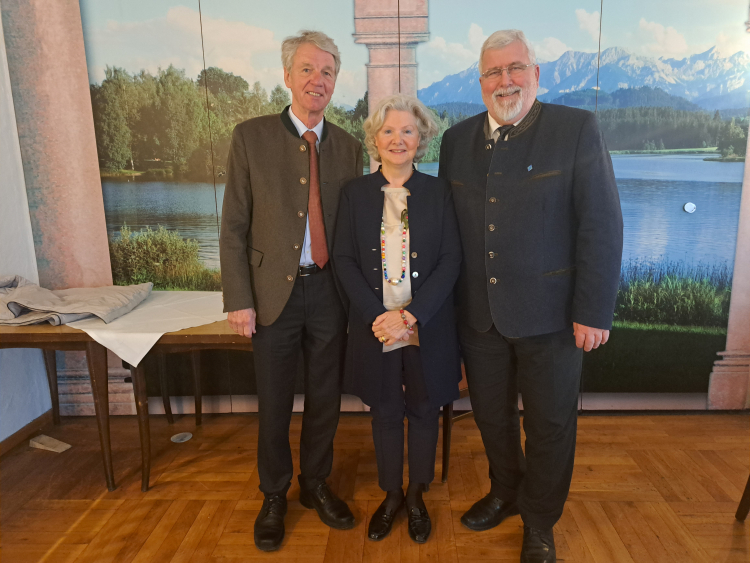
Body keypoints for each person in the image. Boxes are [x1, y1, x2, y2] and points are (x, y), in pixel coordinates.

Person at [438, 29, 623, 563]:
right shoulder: (456, 141)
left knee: (549, 425)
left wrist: (592, 310)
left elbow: (602, 227)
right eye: (494, 72)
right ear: (480, 82)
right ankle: (505, 492)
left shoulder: (577, 129)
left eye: (515, 68)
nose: (506, 80)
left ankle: (539, 520)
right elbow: (449, 235)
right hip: (479, 317)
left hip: (554, 318)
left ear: (536, 74)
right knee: (492, 418)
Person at [219, 30, 363, 552]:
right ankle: (274, 493)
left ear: (334, 82)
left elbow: (355, 228)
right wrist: (238, 298)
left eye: (326, 72)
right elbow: (233, 225)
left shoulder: (349, 146)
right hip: (270, 295)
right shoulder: (250, 137)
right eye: (307, 69)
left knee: (325, 398)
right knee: (276, 400)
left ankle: (315, 484)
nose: (317, 80)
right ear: (287, 76)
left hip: (330, 293)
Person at [333, 93, 462, 544]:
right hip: (376, 327)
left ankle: (418, 495)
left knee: (425, 408)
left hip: (425, 326)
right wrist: (378, 317)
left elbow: (451, 260)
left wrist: (412, 316)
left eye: (408, 130)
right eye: (388, 130)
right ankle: (391, 496)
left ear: (421, 138)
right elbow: (345, 260)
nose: (398, 138)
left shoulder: (439, 192)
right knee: (386, 410)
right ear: (374, 138)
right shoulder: (353, 194)